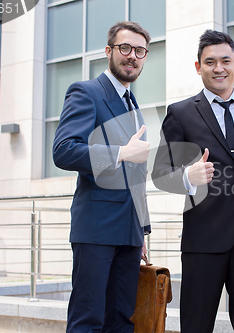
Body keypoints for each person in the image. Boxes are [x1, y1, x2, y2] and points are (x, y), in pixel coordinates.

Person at [152, 30, 234, 333]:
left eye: (225, 61)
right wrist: (187, 177)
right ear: (198, 67)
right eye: (210, 62)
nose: (218, 68)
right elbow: (160, 174)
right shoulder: (179, 113)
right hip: (203, 242)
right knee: (196, 326)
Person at [53, 21, 152, 333]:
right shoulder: (86, 92)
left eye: (140, 51)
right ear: (109, 51)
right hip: (96, 229)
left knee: (122, 321)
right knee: (88, 321)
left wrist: (143, 229)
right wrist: (120, 152)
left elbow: (136, 175)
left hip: (129, 232)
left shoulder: (132, 103)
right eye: (125, 48)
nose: (132, 56)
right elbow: (65, 151)